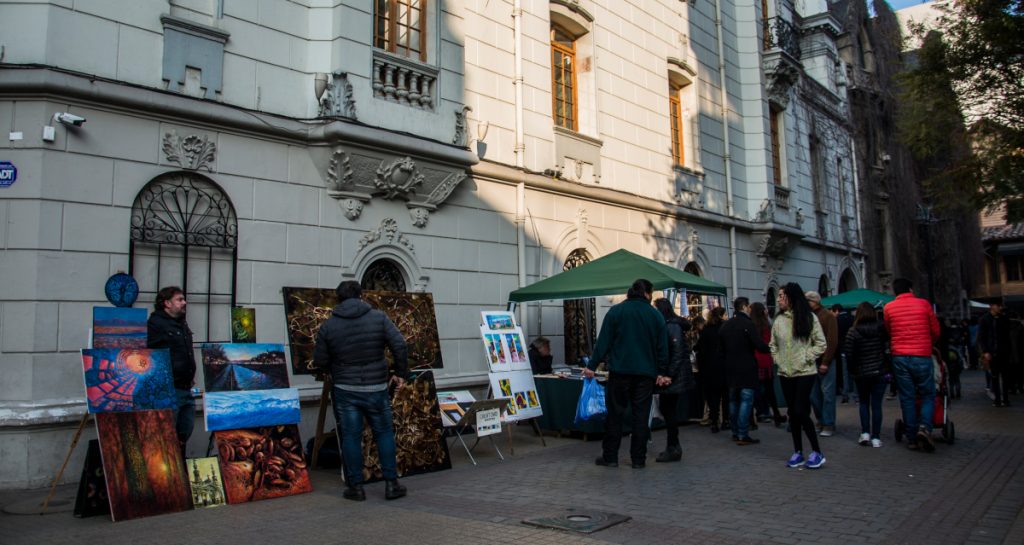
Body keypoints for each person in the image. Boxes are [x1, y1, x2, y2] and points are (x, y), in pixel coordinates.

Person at [313, 280, 410, 501]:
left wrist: (335, 369)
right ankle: (391, 484)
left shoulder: (329, 326)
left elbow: (319, 360)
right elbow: (400, 344)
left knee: (350, 437)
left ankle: (355, 487)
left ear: (339, 299)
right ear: (361, 295)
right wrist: (400, 373)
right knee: (384, 433)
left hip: (345, 389)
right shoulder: (379, 318)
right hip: (376, 386)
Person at [584, 279, 670, 469]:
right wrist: (662, 371)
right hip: (645, 374)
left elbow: (603, 342)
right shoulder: (655, 316)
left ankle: (610, 457)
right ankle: (638, 459)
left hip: (620, 371)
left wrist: (591, 365)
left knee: (615, 415)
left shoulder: (616, 311)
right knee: (640, 416)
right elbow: (663, 347)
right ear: (647, 294)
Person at [771, 283, 828, 469]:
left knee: (800, 410)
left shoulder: (809, 318)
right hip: (785, 372)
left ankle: (817, 452)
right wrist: (777, 359)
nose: (778, 299)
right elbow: (773, 344)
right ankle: (798, 452)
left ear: (791, 297)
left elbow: (821, 343)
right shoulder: (778, 320)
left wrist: (806, 357)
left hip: (804, 372)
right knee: (792, 413)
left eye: (781, 295)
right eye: (778, 296)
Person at [883, 277, 940, 452]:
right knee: (927, 394)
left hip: (900, 356)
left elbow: (889, 330)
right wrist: (929, 344)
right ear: (911, 289)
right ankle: (925, 427)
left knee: (907, 397)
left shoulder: (889, 308)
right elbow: (935, 330)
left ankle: (912, 437)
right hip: (922, 355)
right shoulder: (924, 304)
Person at [147, 286, 197, 457]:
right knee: (166, 437)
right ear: (167, 303)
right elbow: (152, 355)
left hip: (186, 388)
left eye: (183, 299)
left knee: (185, 430)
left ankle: (179, 468)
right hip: (170, 390)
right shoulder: (157, 324)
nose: (184, 303)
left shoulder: (182, 324)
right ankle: (170, 476)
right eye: (179, 299)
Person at [720, 297, 771, 445]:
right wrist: (771, 347)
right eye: (748, 306)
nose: (749, 309)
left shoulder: (726, 325)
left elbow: (721, 349)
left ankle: (736, 432)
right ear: (743, 307)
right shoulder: (748, 324)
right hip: (746, 367)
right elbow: (759, 345)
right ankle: (742, 433)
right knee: (746, 399)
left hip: (730, 368)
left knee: (733, 400)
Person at [653, 298, 694, 462]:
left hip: (674, 377)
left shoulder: (672, 326)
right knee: (667, 409)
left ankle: (673, 447)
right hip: (672, 375)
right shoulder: (670, 325)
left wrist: (668, 374)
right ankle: (673, 445)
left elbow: (676, 353)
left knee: (668, 410)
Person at [842, 302, 888, 448]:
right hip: (879, 371)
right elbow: (886, 348)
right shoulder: (881, 329)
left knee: (863, 402)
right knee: (876, 405)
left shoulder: (853, 331)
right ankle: (876, 437)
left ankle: (865, 433)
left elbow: (849, 353)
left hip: (861, 373)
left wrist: (852, 370)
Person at [805, 291, 838, 437]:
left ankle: (828, 423)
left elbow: (832, 340)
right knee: (814, 395)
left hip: (825, 360)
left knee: (827, 393)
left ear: (814, 301)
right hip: (811, 361)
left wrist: (826, 361)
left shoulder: (827, 316)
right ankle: (821, 420)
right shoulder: (808, 317)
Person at [751, 302, 785, 427]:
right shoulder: (766, 325)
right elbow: (771, 341)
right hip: (766, 358)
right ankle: (774, 413)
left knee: (756, 389)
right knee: (769, 389)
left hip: (755, 359)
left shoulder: (752, 325)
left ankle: (760, 413)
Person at [695, 306, 728, 433]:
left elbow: (699, 349)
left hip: (709, 368)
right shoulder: (725, 328)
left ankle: (714, 420)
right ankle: (726, 420)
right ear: (721, 315)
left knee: (713, 396)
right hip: (723, 365)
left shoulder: (706, 330)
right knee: (725, 395)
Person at [978, 302, 1012, 407]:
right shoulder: (985, 319)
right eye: (998, 306)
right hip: (992, 352)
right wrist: (985, 351)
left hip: (1003, 352)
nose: (1000, 308)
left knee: (1005, 377)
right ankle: (998, 399)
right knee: (995, 376)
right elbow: (982, 337)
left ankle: (1005, 399)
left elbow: (1007, 336)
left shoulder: (1004, 319)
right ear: (992, 306)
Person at [833, 304, 857, 404]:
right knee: (855, 373)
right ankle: (857, 396)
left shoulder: (836, 320)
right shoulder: (853, 318)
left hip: (842, 349)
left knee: (845, 374)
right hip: (853, 348)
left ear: (836, 311)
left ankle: (845, 396)